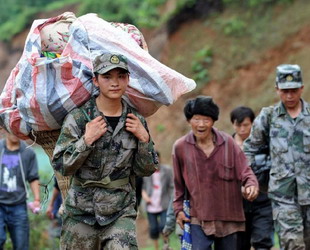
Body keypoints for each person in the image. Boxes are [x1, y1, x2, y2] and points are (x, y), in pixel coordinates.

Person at [52, 53, 158, 249]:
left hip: (119, 211)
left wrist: (144, 140)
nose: (115, 83)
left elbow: (145, 170)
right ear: (96, 81)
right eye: (107, 77)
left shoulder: (135, 121)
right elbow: (61, 166)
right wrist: (86, 140)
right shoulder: (79, 118)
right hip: (80, 212)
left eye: (121, 76)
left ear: (127, 79)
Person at [173, 96, 259, 250]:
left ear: (213, 121)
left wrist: (251, 184)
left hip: (228, 217)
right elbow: (178, 184)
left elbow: (245, 170)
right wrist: (178, 209)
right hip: (198, 217)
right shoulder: (181, 147)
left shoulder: (228, 143)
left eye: (206, 120)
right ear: (189, 121)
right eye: (196, 119)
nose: (201, 125)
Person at [243, 64, 310, 249]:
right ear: (277, 89)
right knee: (292, 244)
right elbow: (249, 149)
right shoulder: (268, 117)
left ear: (302, 88)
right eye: (285, 91)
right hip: (283, 196)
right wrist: (248, 180)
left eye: (294, 90)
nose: (289, 96)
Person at [230, 106, 274, 250]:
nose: (242, 129)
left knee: (263, 241)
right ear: (233, 125)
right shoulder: (225, 147)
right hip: (236, 204)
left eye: (246, 125)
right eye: (238, 125)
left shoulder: (264, 144)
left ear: (253, 124)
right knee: (239, 244)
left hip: (262, 201)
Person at [0, 131, 40, 250]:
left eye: (17, 129)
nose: (14, 133)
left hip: (19, 206)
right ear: (4, 129)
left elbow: (33, 178)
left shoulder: (28, 152)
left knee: (21, 245)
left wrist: (37, 199)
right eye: (11, 129)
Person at [142, 151, 173, 250]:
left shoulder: (167, 170)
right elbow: (142, 188)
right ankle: (156, 248)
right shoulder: (146, 172)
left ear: (159, 159)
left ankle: (166, 246)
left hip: (164, 203)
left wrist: (172, 200)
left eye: (156, 159)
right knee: (154, 229)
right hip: (151, 204)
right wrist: (145, 196)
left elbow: (172, 186)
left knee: (164, 226)